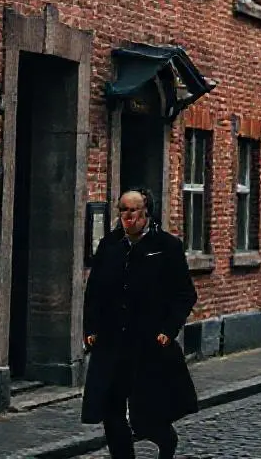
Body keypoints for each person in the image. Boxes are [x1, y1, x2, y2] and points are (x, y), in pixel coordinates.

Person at [81, 189, 199, 459]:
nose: (128, 216)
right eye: (123, 210)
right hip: (112, 342)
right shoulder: (109, 245)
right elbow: (94, 292)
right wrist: (91, 329)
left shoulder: (166, 246)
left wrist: (168, 330)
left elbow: (185, 294)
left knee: (145, 416)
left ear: (147, 212)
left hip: (148, 343)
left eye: (133, 210)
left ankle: (166, 440)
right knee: (111, 410)